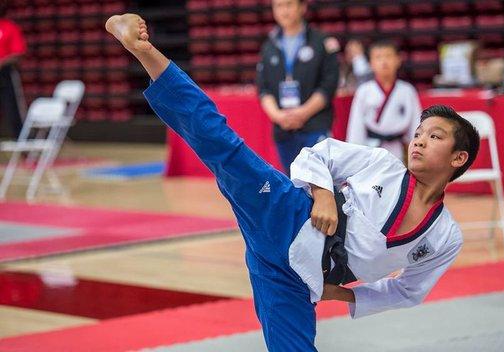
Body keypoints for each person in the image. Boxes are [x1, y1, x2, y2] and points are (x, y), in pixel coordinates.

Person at [105, 14, 479, 352]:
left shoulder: (444, 237)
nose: (419, 140)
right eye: (419, 133)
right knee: (221, 145)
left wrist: (343, 296)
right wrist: (323, 196)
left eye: (435, 137)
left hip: (293, 280)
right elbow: (317, 154)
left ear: (458, 158)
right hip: (287, 212)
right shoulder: (383, 164)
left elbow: (408, 291)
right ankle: (144, 51)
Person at [256, 0, 339, 175]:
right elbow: (263, 89)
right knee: (292, 182)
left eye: (288, 4)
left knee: (320, 183)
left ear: (302, 7)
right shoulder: (269, 46)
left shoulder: (322, 42)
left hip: (315, 125)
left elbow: (329, 85)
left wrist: (303, 113)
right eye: (278, 6)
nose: (283, 11)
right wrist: (278, 116)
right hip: (283, 128)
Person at [346, 40, 422, 161]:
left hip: (400, 149)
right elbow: (356, 128)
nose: (384, 62)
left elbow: (416, 126)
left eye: (388, 56)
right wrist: (355, 156)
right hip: (371, 148)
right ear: (370, 63)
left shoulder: (407, 91)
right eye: (378, 57)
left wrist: (418, 149)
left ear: (398, 60)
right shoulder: (364, 91)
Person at [0, 0, 27, 138]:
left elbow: (18, 53)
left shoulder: (9, 27)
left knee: (13, 110)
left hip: (5, 73)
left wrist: (2, 62)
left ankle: (21, 142)